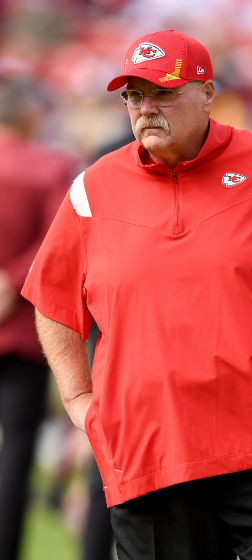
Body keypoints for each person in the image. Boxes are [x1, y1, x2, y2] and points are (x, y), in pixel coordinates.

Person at [22, 30, 252, 560]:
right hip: (151, 455)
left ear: (207, 92)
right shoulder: (92, 189)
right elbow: (52, 300)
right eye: (133, 95)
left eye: (163, 93)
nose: (145, 108)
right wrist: (78, 399)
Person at [0, 75, 77, 560]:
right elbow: (56, 243)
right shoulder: (50, 167)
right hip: (22, 328)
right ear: (30, 115)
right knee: (18, 448)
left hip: (19, 321)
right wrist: (9, 279)